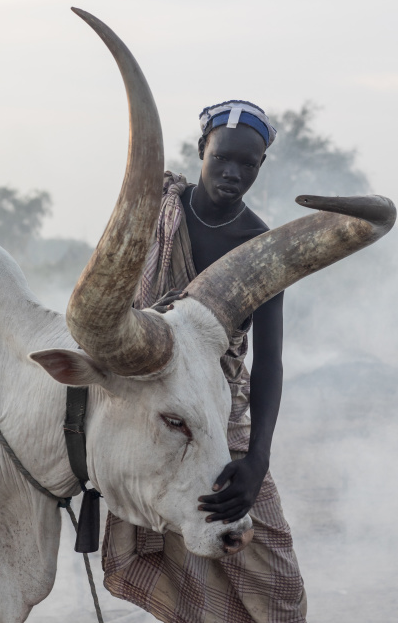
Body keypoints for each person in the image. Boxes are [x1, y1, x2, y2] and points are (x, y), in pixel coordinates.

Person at [102, 100, 307, 623]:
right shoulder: (153, 212)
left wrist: (256, 460)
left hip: (219, 412)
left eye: (249, 165)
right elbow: (108, 304)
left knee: (279, 584)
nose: (235, 174)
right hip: (142, 405)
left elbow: (268, 363)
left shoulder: (261, 246)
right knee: (179, 562)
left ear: (261, 166)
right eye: (224, 159)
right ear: (201, 151)